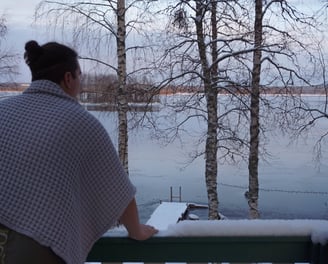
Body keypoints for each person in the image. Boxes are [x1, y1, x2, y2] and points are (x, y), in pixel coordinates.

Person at [0, 40, 158, 264]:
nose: (81, 84)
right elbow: (118, 188)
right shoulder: (81, 122)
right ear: (68, 78)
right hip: (36, 248)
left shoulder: (3, 109)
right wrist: (137, 231)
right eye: (80, 76)